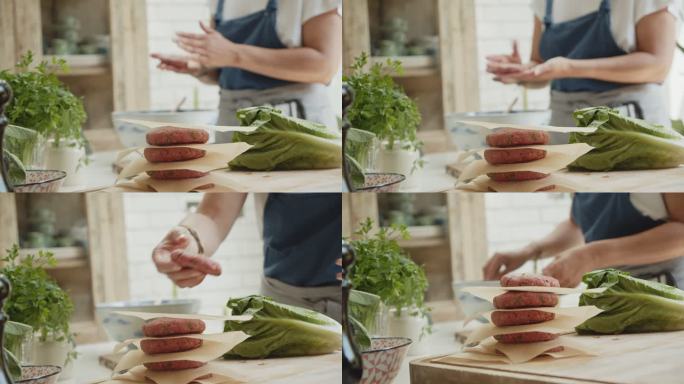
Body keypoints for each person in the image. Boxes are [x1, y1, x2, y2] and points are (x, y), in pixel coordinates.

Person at [150, 0, 341, 134]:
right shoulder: (219, 3)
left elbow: (324, 67)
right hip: (232, 122)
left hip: (296, 127)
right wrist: (200, 68)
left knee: (282, 194)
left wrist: (234, 54)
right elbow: (226, 71)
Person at [151, 193, 342, 321]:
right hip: (287, 310)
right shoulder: (242, 131)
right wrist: (190, 239)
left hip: (369, 306)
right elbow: (215, 211)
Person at [486, 0, 679, 127]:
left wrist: (570, 68)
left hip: (630, 128)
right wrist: (521, 73)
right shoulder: (546, 3)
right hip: (566, 131)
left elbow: (657, 67)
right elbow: (540, 67)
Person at [483, 193, 684, 288]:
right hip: (610, 302)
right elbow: (576, 224)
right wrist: (529, 251)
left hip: (668, 297)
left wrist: (593, 255)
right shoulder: (585, 163)